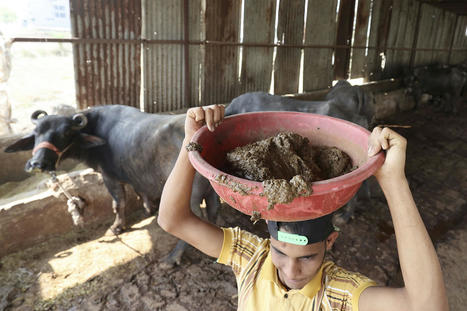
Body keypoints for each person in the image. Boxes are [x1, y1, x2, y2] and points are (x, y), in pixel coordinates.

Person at [158, 104, 448, 311]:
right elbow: (172, 220)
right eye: (280, 252)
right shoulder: (252, 260)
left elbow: (428, 306)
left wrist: (394, 182)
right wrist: (190, 143)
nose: (291, 270)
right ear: (267, 240)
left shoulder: (337, 295)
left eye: (308, 257)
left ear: (330, 241)